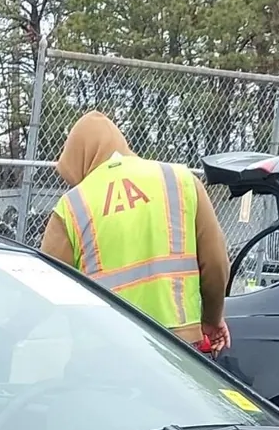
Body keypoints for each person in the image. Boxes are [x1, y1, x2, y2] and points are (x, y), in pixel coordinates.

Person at [40, 111, 232, 351]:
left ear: (79, 158)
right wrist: (212, 318)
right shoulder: (179, 180)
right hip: (179, 344)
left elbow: (47, 285)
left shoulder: (73, 206)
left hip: (105, 348)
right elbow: (216, 263)